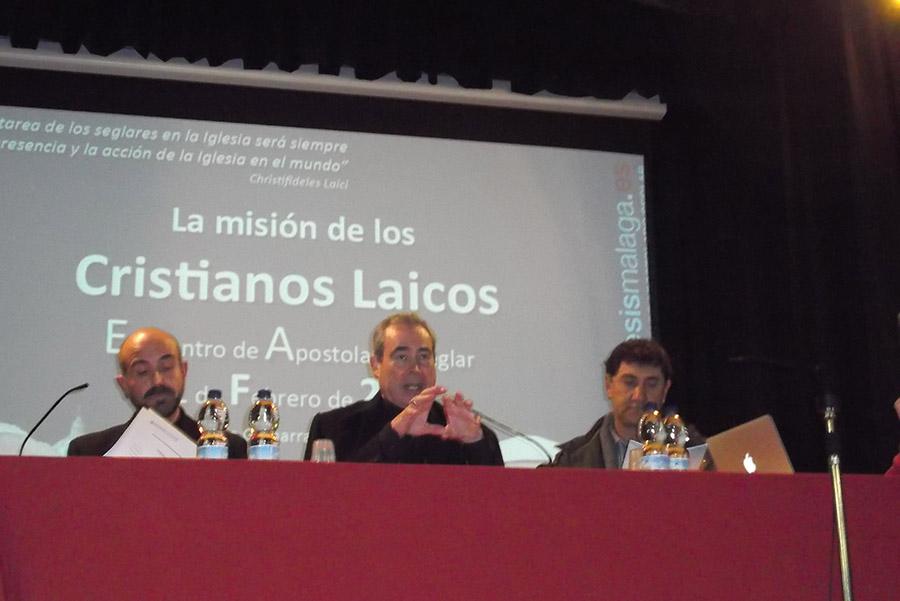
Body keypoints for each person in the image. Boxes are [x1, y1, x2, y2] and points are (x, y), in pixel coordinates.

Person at [303, 312, 503, 465]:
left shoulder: (462, 431)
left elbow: (499, 504)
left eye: (424, 357)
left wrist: (475, 443)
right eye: (402, 357)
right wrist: (394, 433)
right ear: (376, 365)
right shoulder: (333, 428)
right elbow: (325, 500)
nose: (415, 369)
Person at [68, 327, 247, 458]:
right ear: (123, 384)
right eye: (142, 372)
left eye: (166, 367)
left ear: (183, 371)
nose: (157, 381)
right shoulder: (90, 452)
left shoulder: (229, 450)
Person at [544, 338, 705, 469]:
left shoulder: (694, 452)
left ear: (665, 390)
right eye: (629, 382)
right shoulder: (571, 461)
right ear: (608, 385)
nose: (639, 396)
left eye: (651, 384)